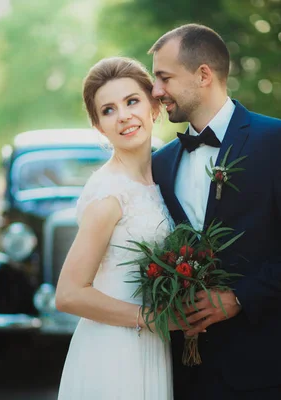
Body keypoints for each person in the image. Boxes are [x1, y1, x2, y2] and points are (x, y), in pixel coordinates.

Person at [149, 24, 281, 400]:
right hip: (179, 369)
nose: (156, 91)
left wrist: (240, 296)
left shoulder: (280, 141)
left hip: (259, 362)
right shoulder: (160, 162)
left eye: (164, 77)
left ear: (203, 74)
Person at [55, 57, 174, 400]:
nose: (123, 115)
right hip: (115, 352)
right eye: (108, 110)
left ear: (154, 106)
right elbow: (69, 294)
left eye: (131, 101)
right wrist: (152, 318)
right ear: (99, 126)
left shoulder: (163, 176)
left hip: (152, 345)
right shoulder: (109, 194)